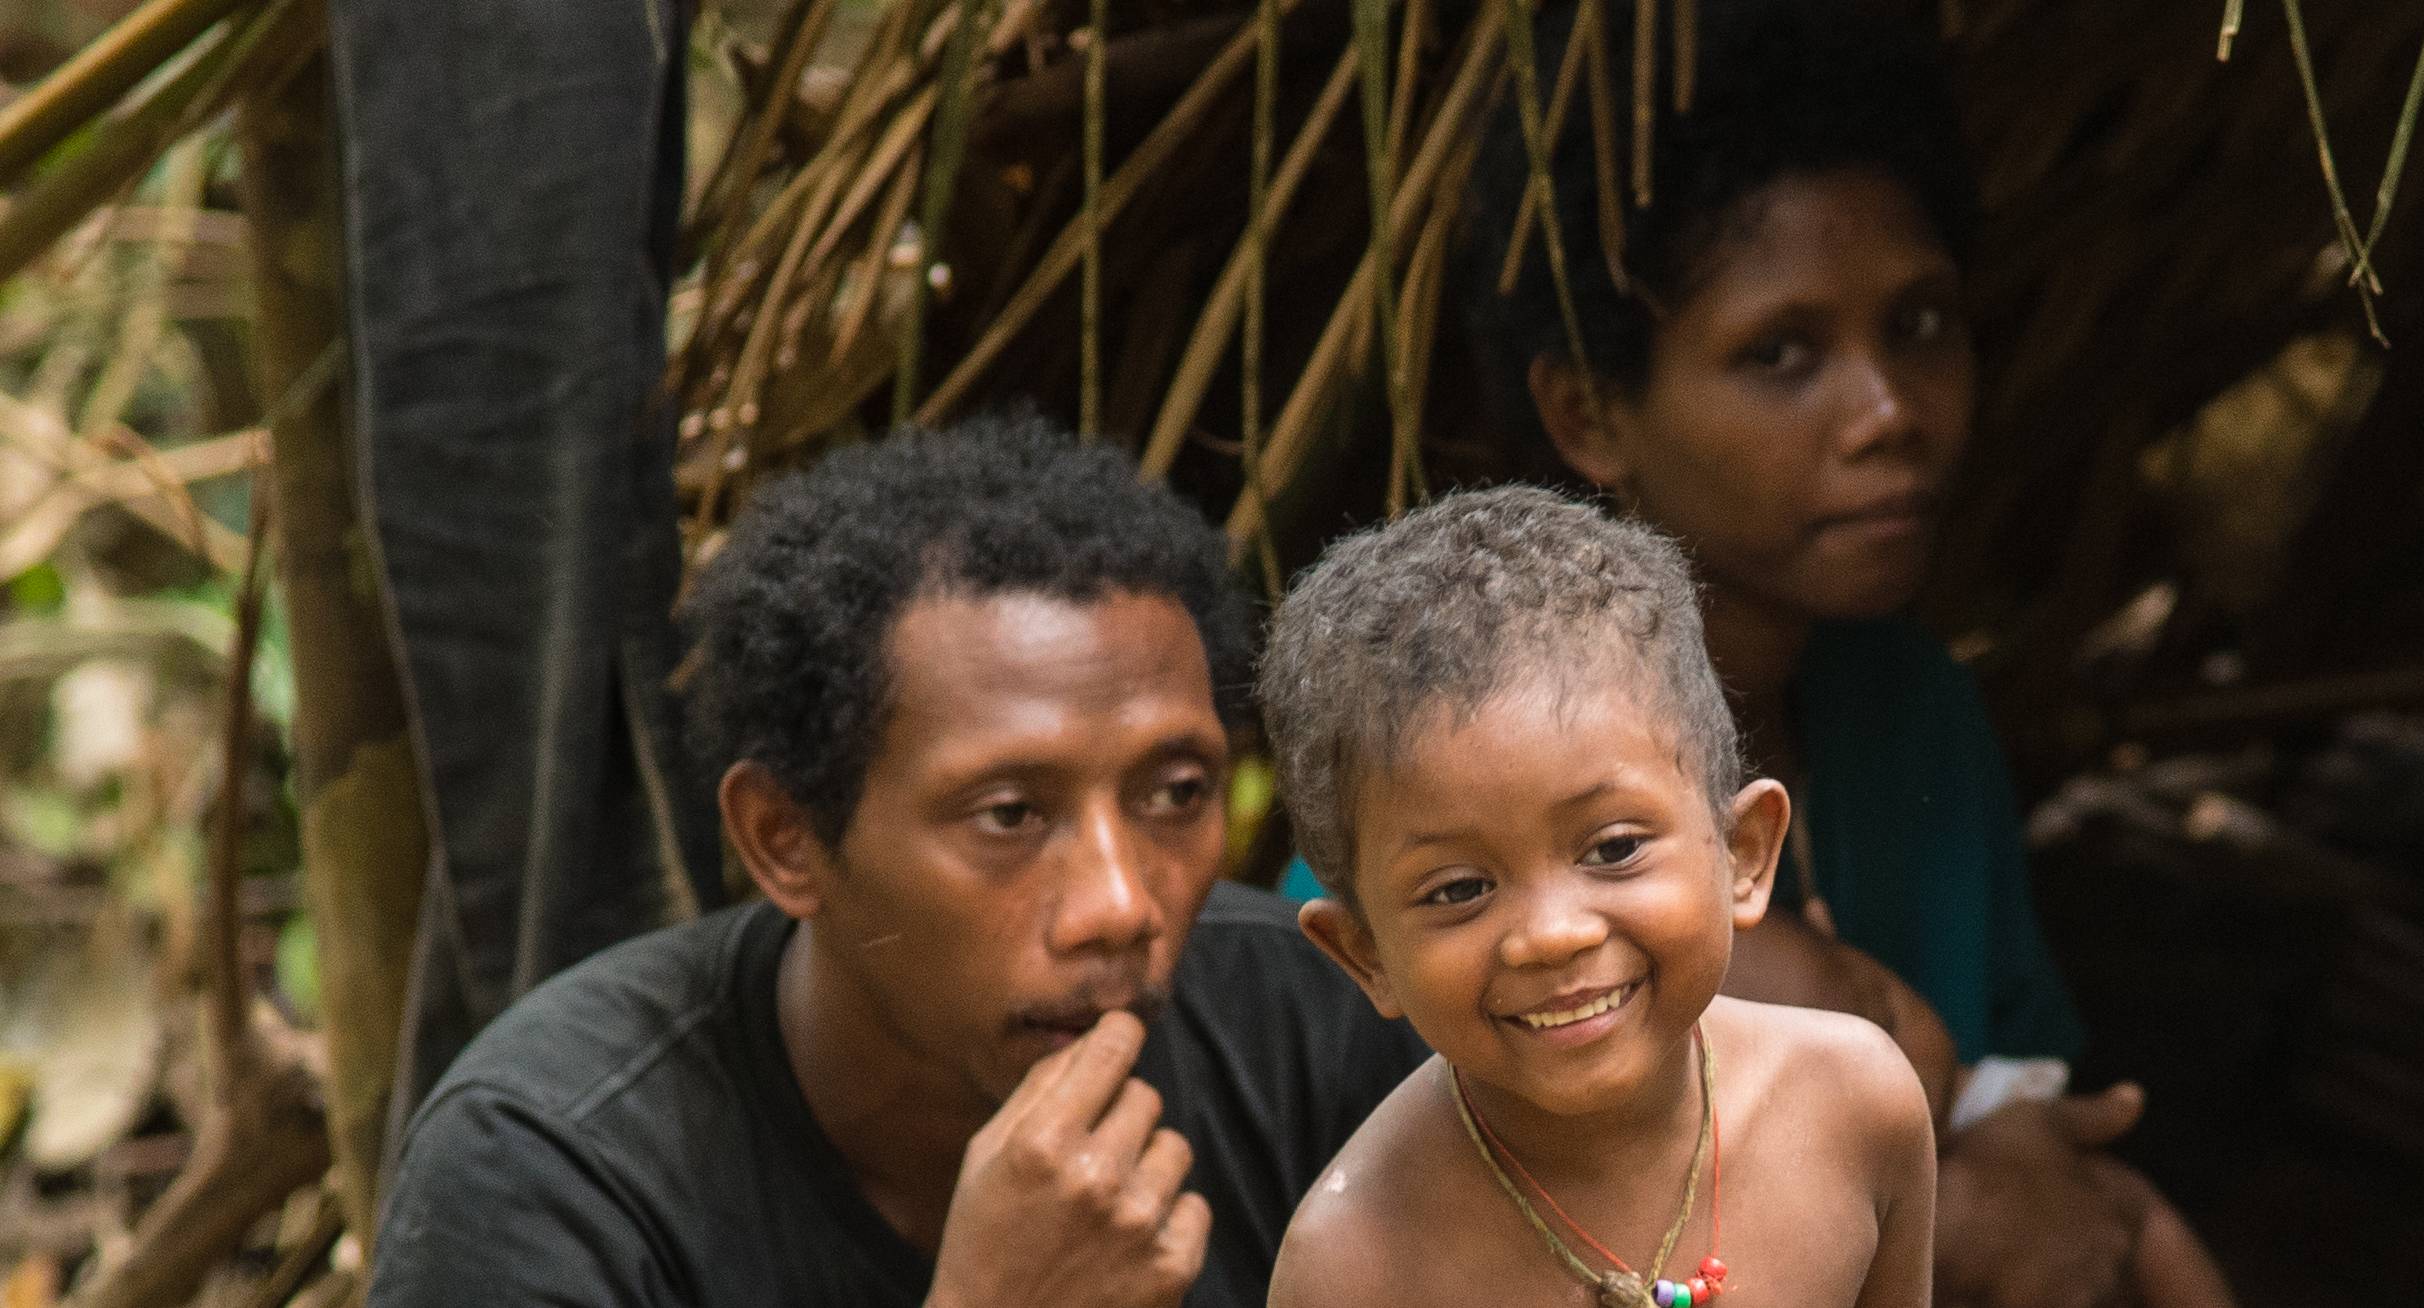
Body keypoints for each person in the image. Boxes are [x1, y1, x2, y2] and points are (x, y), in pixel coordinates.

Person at [1445, 2, 2239, 1304]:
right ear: (1590, 412)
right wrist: (1945, 1218)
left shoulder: (1913, 711)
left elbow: (2037, 1130)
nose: (1889, 412)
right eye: (1782, 353)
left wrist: (2023, 1162)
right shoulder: (1453, 790)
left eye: (1920, 325)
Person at [366, 414, 1426, 1308]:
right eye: (1010, 814)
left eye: (1177, 794)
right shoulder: (549, 1167)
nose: (1120, 903)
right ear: (784, 839)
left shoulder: (1320, 1028)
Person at [1262, 487, 1937, 1308]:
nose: (1552, 934)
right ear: (1365, 953)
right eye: (1460, 889)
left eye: (1614, 849)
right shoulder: (1356, 1266)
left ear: (1743, 853)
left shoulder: (1856, 1108)